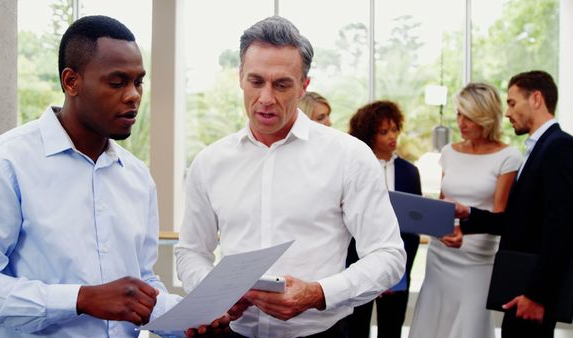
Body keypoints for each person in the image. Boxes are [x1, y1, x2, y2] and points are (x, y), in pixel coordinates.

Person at [0, 15, 200, 338]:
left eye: (139, 82)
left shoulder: (137, 178)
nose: (134, 95)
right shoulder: (3, 163)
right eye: (117, 82)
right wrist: (80, 298)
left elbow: (142, 285)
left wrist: (189, 322)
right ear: (71, 82)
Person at [174, 16, 406, 338]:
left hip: (322, 333)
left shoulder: (349, 157)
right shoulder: (209, 162)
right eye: (256, 81)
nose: (267, 98)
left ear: (304, 85)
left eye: (282, 84)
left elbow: (388, 256)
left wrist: (319, 293)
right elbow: (191, 252)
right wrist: (214, 295)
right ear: (240, 76)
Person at [453, 71, 573, 338]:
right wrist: (469, 214)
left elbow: (561, 228)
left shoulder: (559, 147)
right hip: (519, 287)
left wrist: (536, 295)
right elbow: (518, 219)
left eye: (512, 102)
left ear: (537, 99)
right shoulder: (539, 147)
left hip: (531, 292)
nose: (507, 113)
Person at [408, 83, 522, 338]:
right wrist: (437, 230)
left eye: (468, 116)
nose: (461, 122)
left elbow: (500, 215)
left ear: (486, 117)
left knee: (469, 327)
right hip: (440, 254)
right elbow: (441, 202)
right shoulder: (448, 152)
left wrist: (464, 233)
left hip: (478, 259)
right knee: (432, 324)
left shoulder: (509, 157)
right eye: (459, 114)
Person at [345, 100, 422, 338]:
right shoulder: (354, 167)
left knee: (392, 330)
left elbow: (413, 228)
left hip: (398, 268)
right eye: (383, 131)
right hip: (357, 268)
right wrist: (371, 273)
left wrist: (397, 272)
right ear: (369, 134)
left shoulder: (410, 171)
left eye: (394, 129)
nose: (392, 137)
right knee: (356, 330)